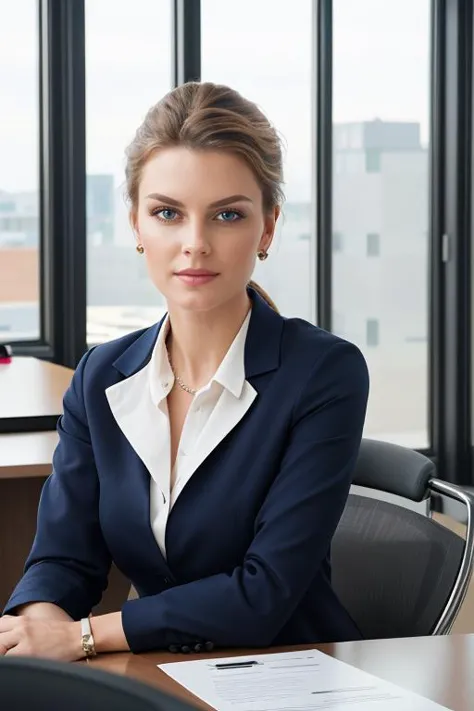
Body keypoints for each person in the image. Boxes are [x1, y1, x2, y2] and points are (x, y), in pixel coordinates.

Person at [0, 82, 369, 661]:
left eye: (227, 215)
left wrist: (82, 636)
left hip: (292, 676)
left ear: (267, 228)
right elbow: (63, 558)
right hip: (164, 672)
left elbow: (263, 593)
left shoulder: (324, 374)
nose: (194, 244)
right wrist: (39, 630)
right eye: (167, 213)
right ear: (136, 226)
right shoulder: (102, 377)